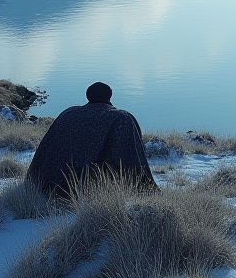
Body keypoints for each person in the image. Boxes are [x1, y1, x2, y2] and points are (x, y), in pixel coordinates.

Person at [26, 82, 158, 197]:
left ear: (88, 96)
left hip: (47, 185)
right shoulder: (120, 118)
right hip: (83, 191)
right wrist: (144, 187)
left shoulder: (68, 113)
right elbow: (130, 157)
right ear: (109, 96)